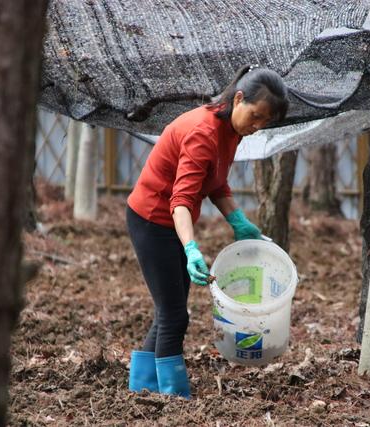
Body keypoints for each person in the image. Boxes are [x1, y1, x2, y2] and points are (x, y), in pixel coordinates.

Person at [125, 64, 289, 398]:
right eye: (256, 116)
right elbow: (181, 200)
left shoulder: (230, 128)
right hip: (152, 219)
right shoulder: (203, 132)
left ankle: (142, 387)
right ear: (239, 98)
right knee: (174, 316)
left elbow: (213, 180)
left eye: (265, 123)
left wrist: (237, 220)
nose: (257, 127)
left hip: (169, 220)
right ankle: (173, 397)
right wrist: (191, 249)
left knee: (170, 309)